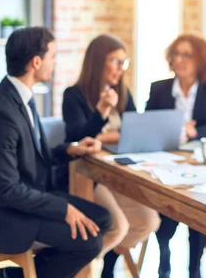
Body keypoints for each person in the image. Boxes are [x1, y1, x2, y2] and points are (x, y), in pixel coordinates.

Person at [0, 27, 111, 278]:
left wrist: (72, 149)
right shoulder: (0, 113)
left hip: (26, 199)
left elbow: (32, 154)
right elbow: (6, 189)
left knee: (102, 219)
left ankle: (22, 275)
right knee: (88, 241)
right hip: (1, 216)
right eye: (53, 56)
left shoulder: (19, 97)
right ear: (36, 62)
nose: (55, 63)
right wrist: (64, 209)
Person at [62, 34, 160, 278]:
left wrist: (103, 138)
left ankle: (109, 262)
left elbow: (134, 130)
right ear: (98, 62)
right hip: (88, 175)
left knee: (149, 221)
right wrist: (102, 110)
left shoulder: (122, 94)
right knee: (118, 227)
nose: (120, 69)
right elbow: (79, 138)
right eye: (115, 61)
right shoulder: (73, 95)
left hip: (118, 171)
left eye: (123, 63)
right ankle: (72, 269)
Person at [146, 33, 206, 278]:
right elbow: (147, 124)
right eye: (176, 54)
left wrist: (196, 131)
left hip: (199, 163)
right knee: (166, 208)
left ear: (200, 61)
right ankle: (164, 255)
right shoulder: (159, 89)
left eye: (187, 55)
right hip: (165, 161)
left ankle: (194, 269)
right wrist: (171, 130)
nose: (180, 60)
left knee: (199, 215)